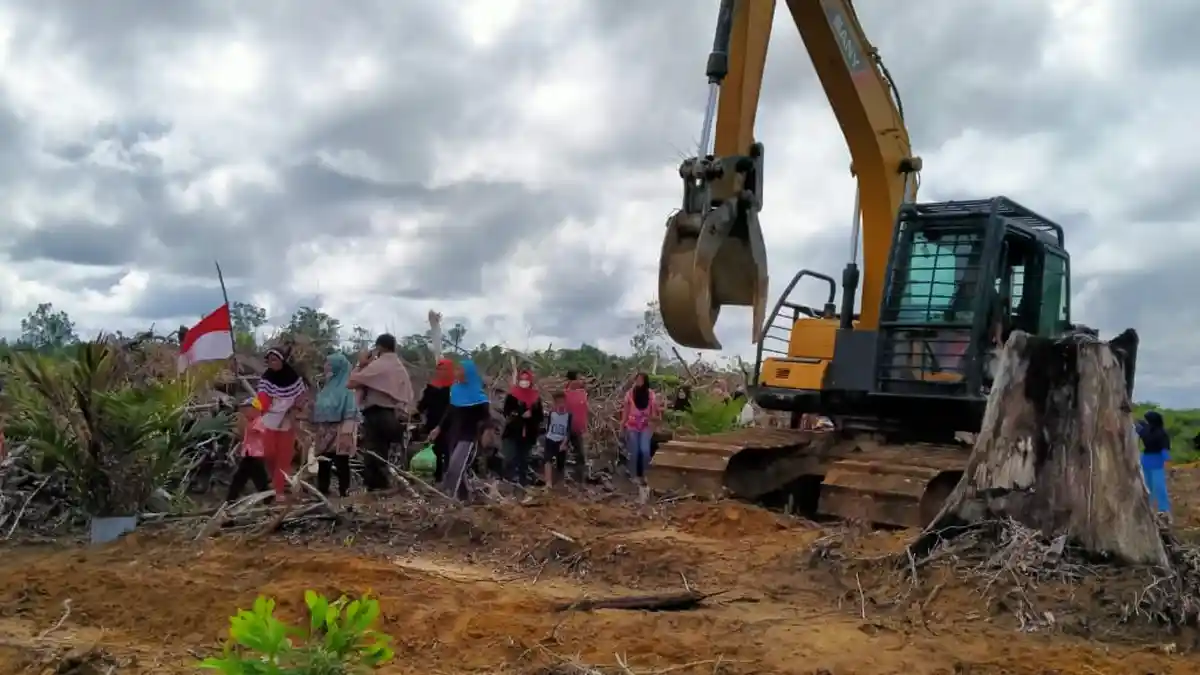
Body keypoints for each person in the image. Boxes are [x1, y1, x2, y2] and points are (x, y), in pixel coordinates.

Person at [347, 333, 414, 491]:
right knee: (384, 450)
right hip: (393, 414)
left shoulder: (379, 365)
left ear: (380, 347)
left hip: (377, 412)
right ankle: (383, 484)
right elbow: (408, 394)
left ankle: (375, 486)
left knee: (373, 450)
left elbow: (352, 382)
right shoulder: (399, 367)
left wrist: (361, 364)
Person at [433, 360, 493, 499]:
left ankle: (450, 497)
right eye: (456, 369)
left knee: (456, 467)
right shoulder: (456, 390)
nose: (456, 372)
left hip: (469, 436)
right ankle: (466, 497)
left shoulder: (478, 395)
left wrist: (487, 433)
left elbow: (487, 418)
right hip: (454, 434)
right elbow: (449, 411)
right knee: (458, 468)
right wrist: (439, 427)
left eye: (460, 369)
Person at [257, 347, 308, 499]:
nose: (272, 363)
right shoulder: (266, 379)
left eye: (275, 359)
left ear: (282, 360)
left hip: (287, 421)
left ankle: (278, 490)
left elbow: (302, 397)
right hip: (269, 420)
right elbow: (261, 398)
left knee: (284, 455)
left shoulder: (294, 378)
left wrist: (294, 410)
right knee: (269, 452)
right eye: (269, 360)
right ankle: (274, 482)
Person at [312, 352, 359, 498]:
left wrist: (346, 433)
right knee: (323, 461)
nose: (326, 366)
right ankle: (322, 490)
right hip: (323, 429)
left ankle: (345, 491)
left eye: (329, 363)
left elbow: (351, 410)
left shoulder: (347, 388)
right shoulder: (327, 386)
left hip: (340, 428)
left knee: (341, 461)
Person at [501, 369, 544, 485]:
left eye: (526, 380)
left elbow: (540, 417)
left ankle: (522, 482)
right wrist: (519, 414)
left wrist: (531, 416)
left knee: (524, 459)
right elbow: (506, 411)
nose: (524, 382)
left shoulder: (536, 398)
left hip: (529, 433)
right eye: (522, 380)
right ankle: (508, 482)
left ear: (531, 381)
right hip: (513, 431)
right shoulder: (512, 395)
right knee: (510, 457)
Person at [226, 398, 271, 502]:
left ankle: (231, 499)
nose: (245, 411)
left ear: (255, 409)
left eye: (247, 409)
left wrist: (241, 420)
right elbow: (244, 436)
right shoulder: (251, 422)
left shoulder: (260, 421)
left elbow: (255, 431)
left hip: (256, 456)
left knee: (256, 480)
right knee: (243, 478)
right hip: (249, 454)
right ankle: (230, 499)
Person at [417, 358, 455, 481]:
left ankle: (447, 478)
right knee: (437, 451)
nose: (440, 372)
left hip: (449, 424)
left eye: (443, 369)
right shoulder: (432, 387)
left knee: (447, 451)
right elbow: (422, 406)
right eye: (439, 369)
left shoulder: (454, 389)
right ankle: (439, 477)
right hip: (434, 424)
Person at [621, 372, 659, 483]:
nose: (638, 382)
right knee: (634, 451)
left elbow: (654, 414)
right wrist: (622, 426)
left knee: (645, 450)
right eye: (637, 379)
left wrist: (653, 424)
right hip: (632, 426)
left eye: (641, 380)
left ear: (645, 381)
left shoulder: (651, 395)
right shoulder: (630, 394)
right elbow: (625, 411)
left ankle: (645, 474)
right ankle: (633, 475)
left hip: (645, 426)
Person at [1135, 410, 1172, 518]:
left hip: (1150, 460)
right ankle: (1154, 508)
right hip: (1152, 460)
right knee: (1152, 486)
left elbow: (1140, 428)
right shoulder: (1159, 432)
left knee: (1153, 486)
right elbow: (1165, 448)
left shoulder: (1148, 431)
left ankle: (1161, 508)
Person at [542, 391, 574, 488]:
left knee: (561, 463)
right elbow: (548, 427)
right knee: (547, 460)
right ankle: (548, 482)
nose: (560, 405)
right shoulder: (551, 414)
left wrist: (564, 444)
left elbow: (568, 431)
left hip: (561, 440)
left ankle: (560, 482)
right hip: (550, 439)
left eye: (562, 402)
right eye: (558, 402)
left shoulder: (569, 416)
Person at [563, 370, 590, 483]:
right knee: (561, 453)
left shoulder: (582, 393)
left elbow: (584, 410)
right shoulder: (564, 393)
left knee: (580, 455)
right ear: (571, 380)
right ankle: (560, 478)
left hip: (578, 429)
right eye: (578, 378)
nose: (580, 381)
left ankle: (580, 480)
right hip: (565, 429)